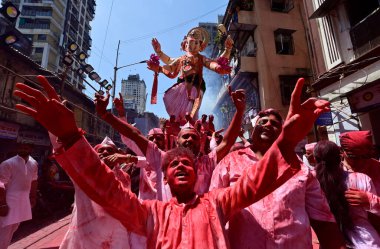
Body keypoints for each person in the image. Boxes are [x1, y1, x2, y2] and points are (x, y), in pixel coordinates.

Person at [13, 74, 329, 249]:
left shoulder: (218, 202)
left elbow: (256, 181)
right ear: (163, 171)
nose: (180, 164)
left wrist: (287, 141)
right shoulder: (149, 213)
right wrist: (69, 137)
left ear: (201, 171)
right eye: (173, 163)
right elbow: (105, 188)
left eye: (187, 163)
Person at [210, 80, 345, 249]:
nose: (268, 124)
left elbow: (325, 224)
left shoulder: (300, 170)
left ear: (282, 132)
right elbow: (211, 214)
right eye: (262, 122)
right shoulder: (229, 162)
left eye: (275, 124)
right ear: (252, 131)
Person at [95, 85, 245, 201]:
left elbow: (227, 142)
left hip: (200, 228)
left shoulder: (208, 162)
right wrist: (106, 115)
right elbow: (134, 135)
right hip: (167, 228)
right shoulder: (162, 158)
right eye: (185, 137)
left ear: (200, 143)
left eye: (194, 137)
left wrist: (239, 112)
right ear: (176, 140)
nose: (189, 140)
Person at [58, 136, 145, 249]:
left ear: (117, 155)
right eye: (101, 150)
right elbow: (65, 158)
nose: (105, 152)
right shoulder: (83, 172)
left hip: (116, 234)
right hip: (87, 230)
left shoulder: (125, 178)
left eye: (110, 150)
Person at [148, 27, 233, 122]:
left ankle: (191, 124)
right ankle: (182, 123)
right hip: (182, 87)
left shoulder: (201, 58)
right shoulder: (181, 59)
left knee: (191, 110)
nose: (193, 44)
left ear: (201, 46)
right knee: (168, 98)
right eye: (191, 41)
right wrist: (159, 60)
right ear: (185, 44)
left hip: (196, 86)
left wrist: (227, 51)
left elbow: (213, 63)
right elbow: (170, 64)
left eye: (197, 42)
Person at [314, 140, 380, 248]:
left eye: (365, 156)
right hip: (364, 241)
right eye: (353, 156)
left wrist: (370, 200)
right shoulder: (311, 183)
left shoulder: (310, 182)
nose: (359, 161)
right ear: (342, 153)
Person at [0, 142, 38, 249]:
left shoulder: (33, 163)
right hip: (9, 200)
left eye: (26, 147)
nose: (23, 149)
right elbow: (1, 184)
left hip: (23, 201)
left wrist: (33, 197)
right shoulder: (8, 164)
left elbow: (34, 181)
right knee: (4, 229)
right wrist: (2, 204)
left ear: (31, 149)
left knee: (14, 227)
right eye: (21, 147)